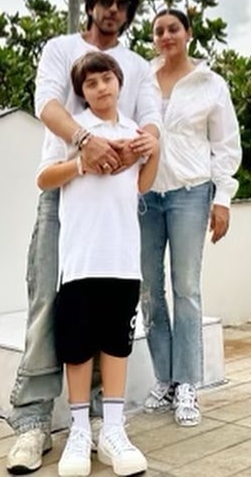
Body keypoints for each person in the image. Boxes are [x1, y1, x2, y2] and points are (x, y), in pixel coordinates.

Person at [6, 0, 160, 475]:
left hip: (115, 204)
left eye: (122, 4)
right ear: (90, 4)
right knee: (49, 303)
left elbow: (150, 118)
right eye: (105, 1)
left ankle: (97, 422)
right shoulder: (59, 48)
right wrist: (83, 143)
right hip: (65, 190)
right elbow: (46, 104)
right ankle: (32, 421)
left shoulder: (137, 65)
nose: (112, 10)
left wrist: (147, 143)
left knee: (108, 311)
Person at [38, 52, 159, 477]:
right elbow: (43, 178)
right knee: (77, 347)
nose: (101, 88)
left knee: (116, 345)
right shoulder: (73, 130)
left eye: (107, 79)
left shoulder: (134, 132)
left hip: (122, 259)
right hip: (81, 259)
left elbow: (141, 185)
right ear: (82, 92)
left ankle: (112, 430)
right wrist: (80, 162)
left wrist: (154, 150)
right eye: (91, 84)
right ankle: (77, 432)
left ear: (119, 82)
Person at [139, 8, 242, 427]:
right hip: (145, 198)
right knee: (149, 290)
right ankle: (164, 377)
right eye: (158, 31)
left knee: (185, 288)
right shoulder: (140, 80)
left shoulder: (210, 84)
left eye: (173, 29)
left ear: (188, 34)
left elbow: (226, 145)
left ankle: (187, 385)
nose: (165, 36)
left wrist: (223, 199)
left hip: (190, 194)